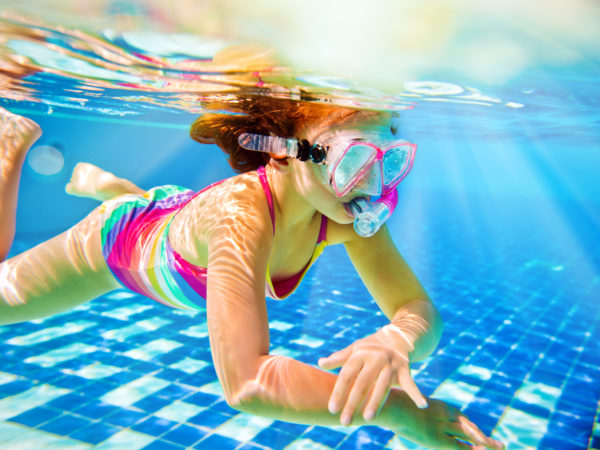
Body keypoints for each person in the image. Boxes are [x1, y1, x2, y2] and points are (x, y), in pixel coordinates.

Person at [0, 101, 504, 449]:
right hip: (118, 247)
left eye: (387, 159)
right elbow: (246, 383)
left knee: (168, 214)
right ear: (286, 150)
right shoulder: (240, 217)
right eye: (352, 159)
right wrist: (398, 411)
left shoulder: (346, 209)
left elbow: (419, 312)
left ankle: (120, 191)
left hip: (178, 216)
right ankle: (12, 149)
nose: (372, 184)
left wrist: (400, 338)